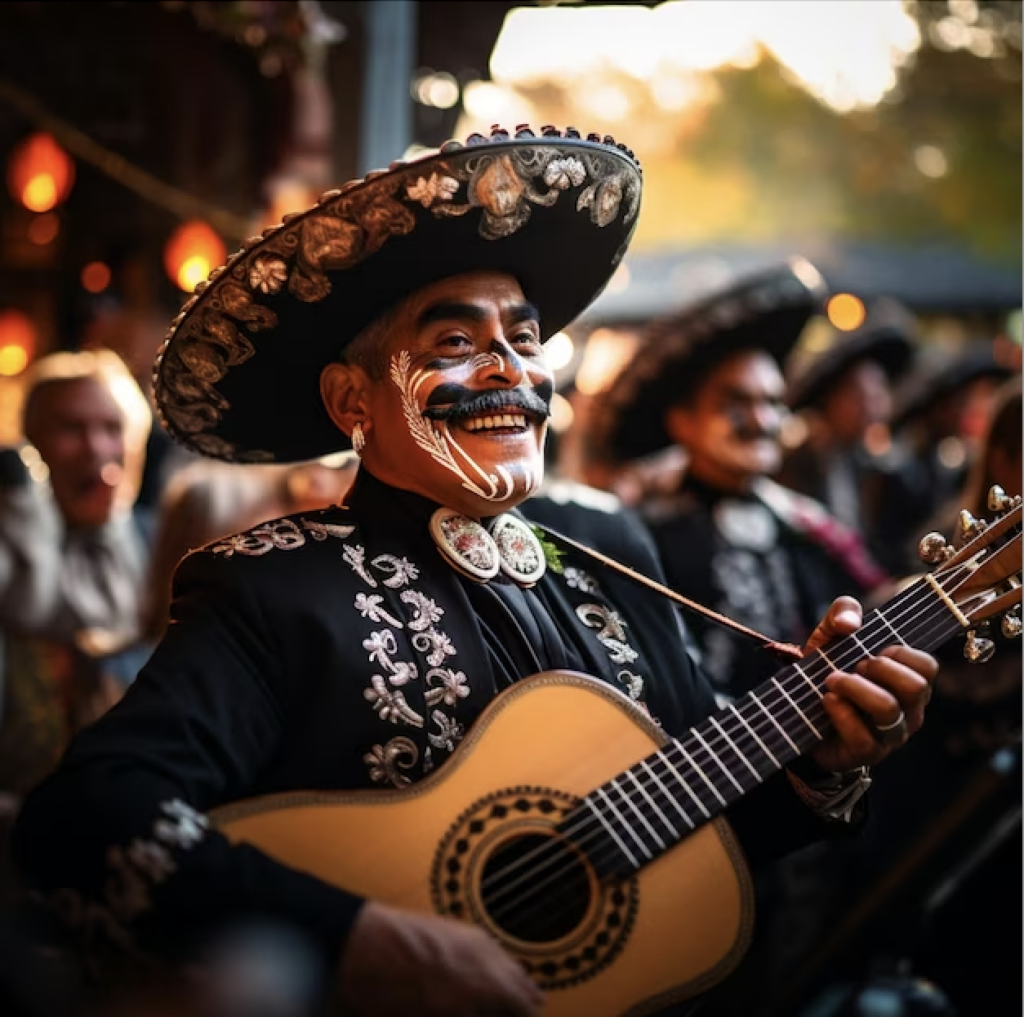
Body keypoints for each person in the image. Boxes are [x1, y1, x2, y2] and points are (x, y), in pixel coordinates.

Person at [10, 127, 937, 1017]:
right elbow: (87, 814)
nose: (511, 371)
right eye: (455, 344)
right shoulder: (271, 587)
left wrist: (819, 763)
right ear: (350, 401)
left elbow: (703, 826)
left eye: (526, 339)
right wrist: (352, 935)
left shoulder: (614, 558)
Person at [586, 258, 896, 1015]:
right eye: (735, 402)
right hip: (681, 817)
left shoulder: (817, 533)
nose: (759, 418)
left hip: (815, 820)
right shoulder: (634, 536)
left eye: (769, 400)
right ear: (682, 421)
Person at [0, 349, 154, 819]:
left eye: (113, 430)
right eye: (72, 429)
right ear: (32, 445)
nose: (96, 450)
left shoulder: (162, 543)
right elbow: (31, 609)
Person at [778, 297, 918, 566]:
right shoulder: (802, 458)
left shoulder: (862, 457)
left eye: (877, 395)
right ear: (831, 400)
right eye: (860, 397)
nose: (872, 408)